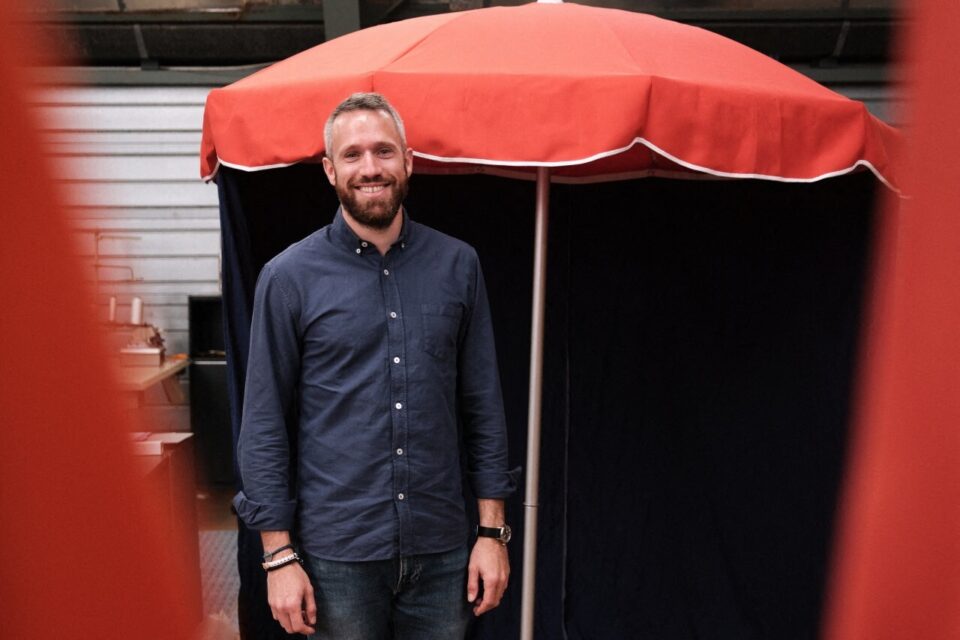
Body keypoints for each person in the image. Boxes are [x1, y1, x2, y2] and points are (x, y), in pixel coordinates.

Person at [233, 92, 517, 639]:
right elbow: (264, 425)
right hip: (337, 558)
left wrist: (491, 532)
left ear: (408, 161)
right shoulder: (288, 278)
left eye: (384, 152)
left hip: (443, 553)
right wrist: (277, 557)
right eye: (353, 154)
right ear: (329, 169)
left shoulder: (458, 265)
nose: (370, 168)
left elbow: (483, 405)